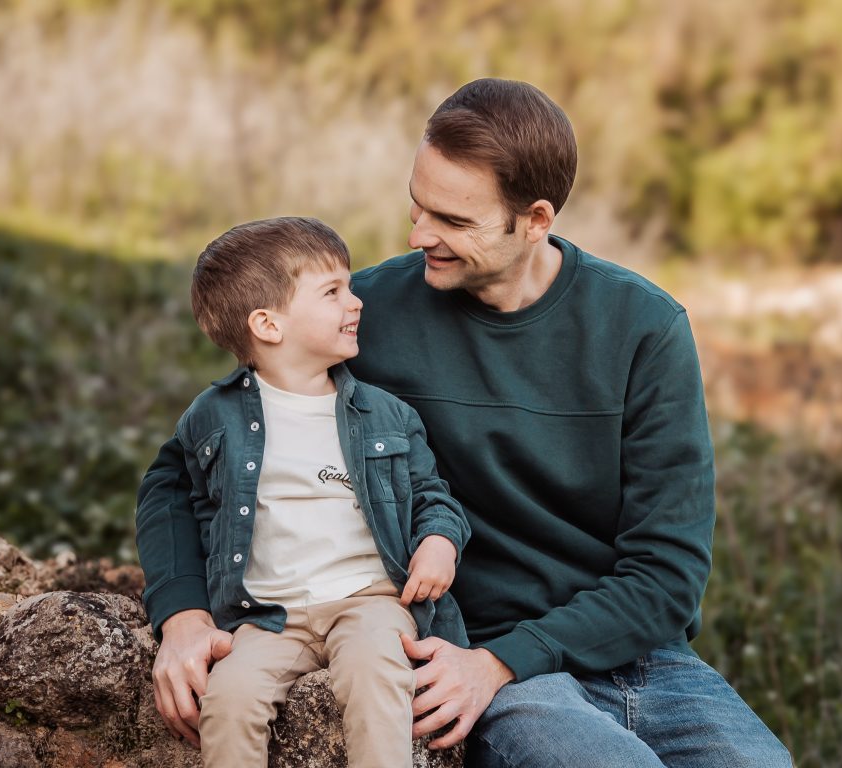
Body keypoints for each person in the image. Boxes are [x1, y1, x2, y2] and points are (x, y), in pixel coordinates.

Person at [144, 80, 793, 767]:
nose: (419, 235)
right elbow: (184, 473)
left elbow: (667, 572)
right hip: (480, 655)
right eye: (417, 205)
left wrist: (509, 660)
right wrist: (183, 616)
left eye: (453, 220)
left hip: (641, 660)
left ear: (535, 220)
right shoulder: (365, 317)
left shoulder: (644, 328)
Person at [135, 216, 471, 768]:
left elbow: (432, 494)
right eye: (332, 292)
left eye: (350, 287)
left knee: (376, 673)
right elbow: (179, 496)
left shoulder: (387, 414)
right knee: (229, 699)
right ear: (268, 324)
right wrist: (185, 611)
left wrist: (439, 541)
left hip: (371, 602)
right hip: (267, 614)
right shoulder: (211, 418)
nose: (356, 302)